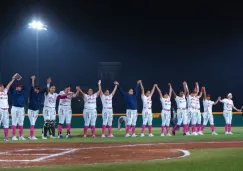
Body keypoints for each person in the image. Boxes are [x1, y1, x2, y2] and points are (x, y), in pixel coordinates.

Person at [9, 74, 27, 141]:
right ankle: (13, 136)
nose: (21, 88)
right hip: (15, 108)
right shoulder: (13, 91)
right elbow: (9, 86)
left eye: (21, 87)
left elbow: (25, 86)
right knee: (14, 122)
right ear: (16, 87)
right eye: (19, 87)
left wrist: (20, 79)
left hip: (21, 108)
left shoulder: (22, 92)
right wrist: (13, 79)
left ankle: (21, 136)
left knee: (21, 122)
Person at [28, 75, 46, 140]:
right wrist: (33, 79)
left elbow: (45, 89)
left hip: (36, 111)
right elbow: (32, 86)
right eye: (36, 88)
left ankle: (31, 135)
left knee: (33, 123)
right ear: (34, 89)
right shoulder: (32, 93)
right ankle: (32, 136)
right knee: (32, 123)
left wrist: (48, 83)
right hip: (31, 110)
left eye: (38, 88)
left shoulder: (40, 93)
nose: (37, 89)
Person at [0, 75, 16, 141]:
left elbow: (9, 85)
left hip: (6, 110)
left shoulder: (5, 92)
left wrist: (13, 80)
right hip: (0, 110)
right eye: (2, 86)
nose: (3, 87)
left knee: (6, 124)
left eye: (3, 86)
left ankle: (6, 138)